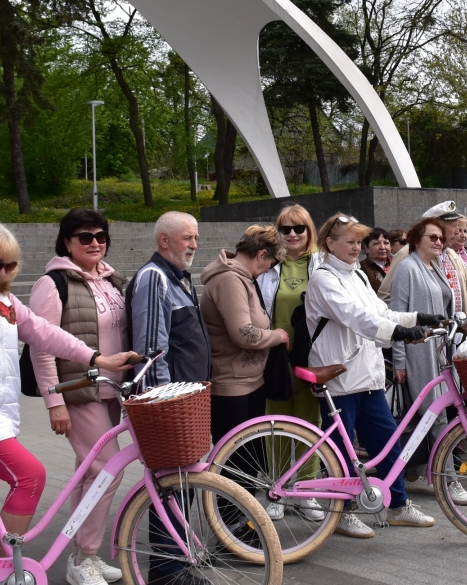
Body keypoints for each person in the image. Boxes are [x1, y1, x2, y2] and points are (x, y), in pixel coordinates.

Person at [0, 222, 136, 558]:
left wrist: (96, 358)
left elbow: (45, 333)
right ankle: (3, 567)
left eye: (9, 265)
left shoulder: (2, 298)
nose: (1, 272)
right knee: (30, 477)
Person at [306, 213, 439, 539]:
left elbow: (380, 312)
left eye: (357, 242)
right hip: (338, 378)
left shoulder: (358, 276)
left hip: (366, 376)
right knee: (340, 450)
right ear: (330, 243)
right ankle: (340, 512)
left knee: (388, 442)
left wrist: (418, 318)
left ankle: (397, 505)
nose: (356, 247)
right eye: (349, 242)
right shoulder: (323, 279)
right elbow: (355, 317)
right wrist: (400, 333)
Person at [29, 210, 129, 585]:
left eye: (100, 236)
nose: (94, 243)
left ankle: (80, 552)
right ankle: (83, 557)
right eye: (84, 236)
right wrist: (54, 402)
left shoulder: (112, 279)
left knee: (90, 473)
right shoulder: (53, 283)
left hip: (109, 391)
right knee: (107, 468)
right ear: (67, 241)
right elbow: (41, 347)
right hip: (77, 391)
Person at [389, 217, 467, 500]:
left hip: (442, 349)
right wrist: (399, 361)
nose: (438, 242)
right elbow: (397, 316)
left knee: (442, 413)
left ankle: (427, 472)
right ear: (416, 239)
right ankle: (445, 479)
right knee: (434, 416)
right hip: (418, 352)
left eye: (440, 238)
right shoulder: (407, 268)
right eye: (432, 238)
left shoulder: (434, 266)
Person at [126, 211, 212, 585]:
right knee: (171, 489)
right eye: (187, 238)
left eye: (195, 237)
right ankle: (167, 571)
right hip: (170, 404)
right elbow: (151, 350)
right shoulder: (155, 277)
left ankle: (174, 565)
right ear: (164, 240)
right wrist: (161, 404)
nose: (194, 245)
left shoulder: (177, 277)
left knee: (181, 487)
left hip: (184, 400)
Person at [200, 226, 291, 524]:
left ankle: (241, 525)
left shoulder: (244, 279)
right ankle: (231, 530)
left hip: (249, 381)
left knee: (247, 461)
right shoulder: (229, 279)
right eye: (272, 263)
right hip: (231, 385)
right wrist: (275, 336)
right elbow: (244, 333)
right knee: (236, 464)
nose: (269, 270)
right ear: (262, 255)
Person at [255, 204, 325, 522]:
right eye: (286, 229)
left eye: (300, 228)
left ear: (310, 231)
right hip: (276, 359)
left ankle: (306, 490)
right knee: (277, 424)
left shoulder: (322, 263)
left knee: (311, 426)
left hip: (313, 357)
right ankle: (279, 489)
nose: (293, 234)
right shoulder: (269, 266)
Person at [378, 200, 464, 302]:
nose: (457, 231)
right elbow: (385, 295)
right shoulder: (406, 255)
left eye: (458, 226)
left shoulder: (451, 254)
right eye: (454, 226)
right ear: (438, 227)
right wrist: (413, 316)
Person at [361, 227, 391, 292]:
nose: (383, 247)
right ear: (366, 248)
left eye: (386, 243)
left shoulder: (397, 264)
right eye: (376, 243)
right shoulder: (361, 269)